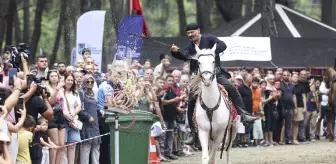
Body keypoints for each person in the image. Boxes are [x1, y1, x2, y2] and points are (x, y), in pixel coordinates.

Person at [170, 23, 257, 145]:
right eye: (188, 33)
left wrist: (210, 51)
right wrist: (175, 52)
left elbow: (223, 45)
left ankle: (244, 114)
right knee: (190, 100)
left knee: (231, 87)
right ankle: (193, 132)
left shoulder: (210, 39)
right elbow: (184, 56)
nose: (190, 35)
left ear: (198, 30)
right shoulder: (190, 47)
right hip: (198, 77)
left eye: (192, 32)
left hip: (216, 74)